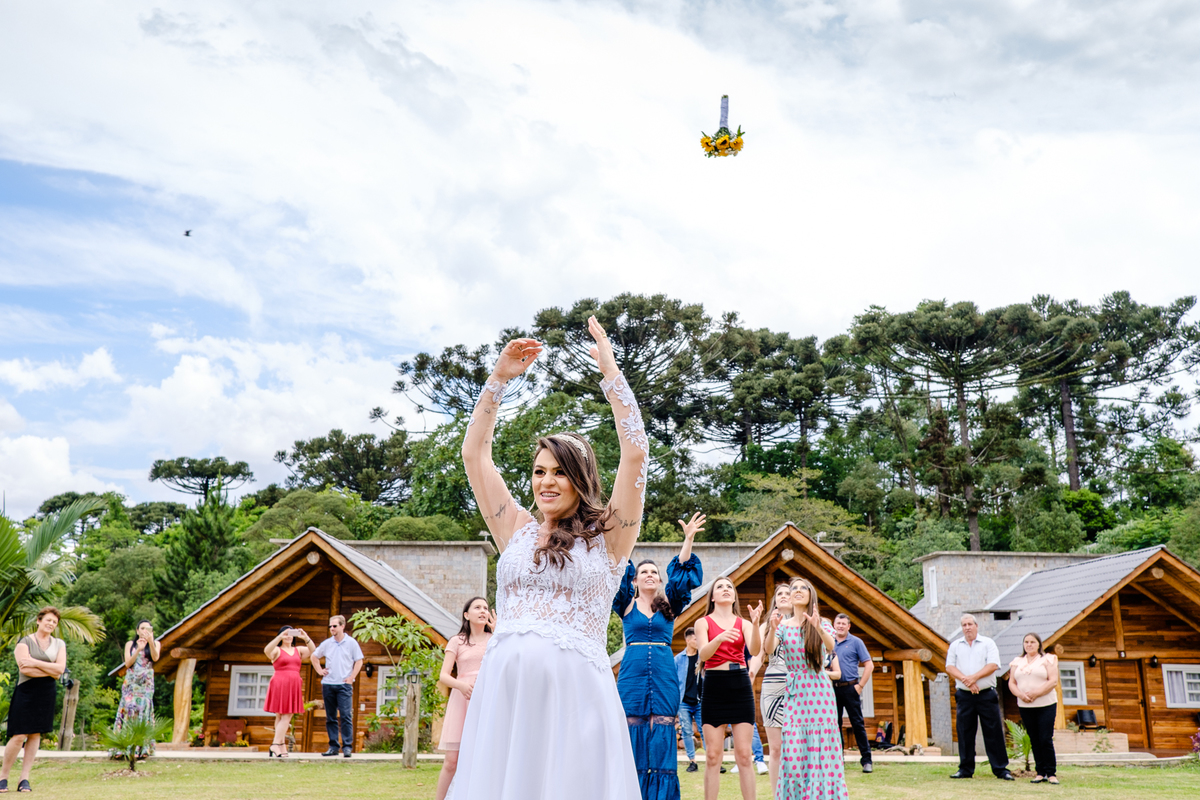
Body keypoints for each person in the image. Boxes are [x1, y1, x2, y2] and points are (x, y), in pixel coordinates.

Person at [451, 318, 650, 800]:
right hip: (506, 698)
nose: (546, 482)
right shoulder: (514, 528)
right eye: (539, 471)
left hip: (575, 699)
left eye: (560, 472)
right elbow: (475, 456)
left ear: (580, 478)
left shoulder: (609, 538)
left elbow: (636, 456)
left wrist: (612, 377)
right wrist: (497, 381)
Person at [613, 513, 705, 800]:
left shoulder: (670, 604)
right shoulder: (625, 603)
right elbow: (617, 565)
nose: (650, 575)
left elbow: (681, 573)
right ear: (636, 580)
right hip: (632, 674)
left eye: (654, 572)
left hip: (664, 673)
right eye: (644, 573)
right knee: (634, 728)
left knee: (663, 728)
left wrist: (688, 539)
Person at [763, 578, 846, 800]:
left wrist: (818, 627)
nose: (798, 591)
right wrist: (771, 630)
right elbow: (769, 649)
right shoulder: (782, 625)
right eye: (794, 588)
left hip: (819, 691)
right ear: (789, 596)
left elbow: (831, 646)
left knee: (821, 750)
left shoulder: (822, 622)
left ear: (811, 596)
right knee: (793, 753)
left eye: (803, 588)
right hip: (795, 693)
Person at [695, 577, 763, 800]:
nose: (725, 590)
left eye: (729, 587)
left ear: (734, 596)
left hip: (740, 684)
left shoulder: (743, 623)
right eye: (720, 587)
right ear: (712, 596)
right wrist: (720, 638)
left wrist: (755, 623)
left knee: (744, 755)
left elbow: (754, 650)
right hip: (714, 685)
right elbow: (703, 654)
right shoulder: (703, 622)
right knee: (713, 756)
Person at [1, 608, 66, 793]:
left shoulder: (59, 643)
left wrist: (36, 662)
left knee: (36, 734)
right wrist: (50, 669)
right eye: (48, 620)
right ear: (39, 620)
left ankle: (24, 779)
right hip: (26, 691)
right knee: (19, 735)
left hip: (46, 692)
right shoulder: (25, 642)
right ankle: (3, 777)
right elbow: (25, 669)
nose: (51, 624)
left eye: (54, 622)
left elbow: (60, 669)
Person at [435, 597, 495, 800]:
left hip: (487, 700)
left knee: (486, 757)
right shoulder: (457, 640)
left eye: (486, 608)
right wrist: (460, 685)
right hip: (462, 701)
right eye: (477, 607)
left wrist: (498, 632)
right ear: (466, 615)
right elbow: (443, 675)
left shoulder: (495, 640)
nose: (483, 611)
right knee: (452, 761)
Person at [946, 613, 1012, 780]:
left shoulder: (988, 643)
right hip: (965, 695)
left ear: (976, 626)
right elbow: (950, 667)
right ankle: (965, 770)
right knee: (965, 732)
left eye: (970, 624)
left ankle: (1001, 769)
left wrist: (973, 678)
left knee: (993, 731)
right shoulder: (955, 645)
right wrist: (966, 681)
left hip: (986, 694)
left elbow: (993, 665)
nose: (967, 627)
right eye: (964, 625)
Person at [1007, 632, 1060, 785]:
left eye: (1032, 642)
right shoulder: (1017, 662)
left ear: (1039, 644)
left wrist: (1036, 693)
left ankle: (1051, 773)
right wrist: (1021, 695)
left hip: (1045, 704)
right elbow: (1012, 683)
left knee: (1045, 738)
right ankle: (1040, 772)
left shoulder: (1048, 659)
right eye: (1026, 642)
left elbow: (1053, 681)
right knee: (1035, 739)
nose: (1029, 644)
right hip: (1026, 705)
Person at [310, 614, 364, 757]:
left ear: (342, 626)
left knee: (346, 716)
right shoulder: (327, 643)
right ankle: (333, 747)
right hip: (328, 684)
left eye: (334, 626)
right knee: (331, 717)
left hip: (344, 685)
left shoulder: (351, 643)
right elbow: (314, 657)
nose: (332, 628)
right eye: (330, 626)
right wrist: (320, 671)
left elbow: (359, 661)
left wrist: (352, 677)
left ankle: (347, 747)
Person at [757, 583, 792, 794]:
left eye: (788, 593)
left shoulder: (804, 624)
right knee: (776, 748)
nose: (785, 596)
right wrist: (750, 674)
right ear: (775, 600)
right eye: (780, 593)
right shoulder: (766, 626)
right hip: (773, 686)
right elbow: (762, 654)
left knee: (797, 746)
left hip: (799, 686)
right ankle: (777, 794)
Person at [111, 619, 162, 760]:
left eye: (148, 628)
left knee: (144, 710)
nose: (145, 631)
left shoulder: (156, 643)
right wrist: (138, 649)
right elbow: (128, 663)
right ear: (137, 631)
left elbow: (156, 658)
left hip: (146, 682)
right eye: (143, 628)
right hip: (132, 681)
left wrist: (150, 642)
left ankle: (143, 747)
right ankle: (123, 747)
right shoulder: (130, 644)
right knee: (128, 709)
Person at [831, 613, 875, 773]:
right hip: (832, 689)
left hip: (851, 688)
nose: (841, 626)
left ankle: (866, 761)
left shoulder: (856, 642)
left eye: (844, 623)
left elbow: (869, 665)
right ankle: (837, 760)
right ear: (834, 625)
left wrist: (861, 686)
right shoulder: (829, 642)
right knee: (834, 725)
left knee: (857, 724)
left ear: (849, 626)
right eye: (838, 623)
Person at [263, 625, 315, 758]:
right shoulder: (277, 650)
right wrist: (280, 636)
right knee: (286, 715)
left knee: (281, 716)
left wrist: (305, 637)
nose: (289, 636)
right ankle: (275, 744)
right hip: (280, 683)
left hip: (294, 684)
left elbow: (314, 651)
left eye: (291, 633)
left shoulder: (298, 650)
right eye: (286, 634)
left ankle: (280, 746)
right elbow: (266, 650)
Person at [675, 627, 704, 773]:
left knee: (705, 730)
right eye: (695, 639)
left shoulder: (703, 657)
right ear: (687, 640)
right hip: (684, 702)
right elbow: (673, 681)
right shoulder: (678, 659)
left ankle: (713, 759)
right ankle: (693, 762)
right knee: (686, 732)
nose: (698, 641)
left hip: (700, 702)